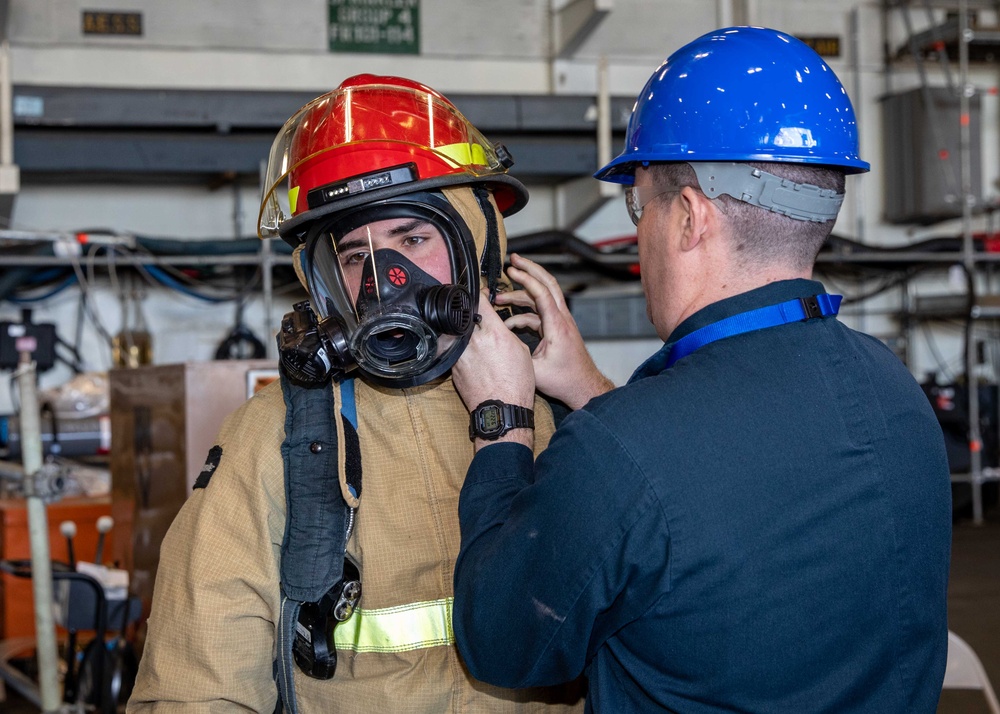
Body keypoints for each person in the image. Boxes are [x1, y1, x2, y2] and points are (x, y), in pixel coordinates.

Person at [449, 26, 952, 714]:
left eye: (640, 205)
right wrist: (586, 387)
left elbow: (503, 642)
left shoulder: (624, 451)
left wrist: (502, 423)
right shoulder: (896, 392)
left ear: (688, 217)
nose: (638, 236)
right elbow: (703, 491)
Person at [128, 75, 584, 713]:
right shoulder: (278, 437)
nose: (384, 282)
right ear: (323, 281)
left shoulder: (564, 416)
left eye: (413, 238)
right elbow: (198, 685)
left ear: (478, 245)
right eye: (351, 256)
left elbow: (684, 606)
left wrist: (585, 396)